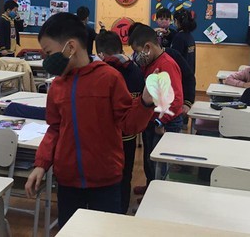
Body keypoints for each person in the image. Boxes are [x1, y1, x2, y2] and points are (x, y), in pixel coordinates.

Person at [24, 12, 155, 227]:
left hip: (106, 181)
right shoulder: (57, 86)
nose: (47, 60)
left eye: (49, 52)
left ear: (71, 47)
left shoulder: (109, 78)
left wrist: (145, 103)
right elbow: (54, 129)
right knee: (71, 230)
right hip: (68, 181)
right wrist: (41, 164)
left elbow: (129, 124)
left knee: (104, 231)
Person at [128, 24, 184, 193]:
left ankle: (158, 194)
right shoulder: (151, 63)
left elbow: (176, 101)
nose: (136, 56)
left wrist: (160, 121)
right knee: (149, 159)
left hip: (165, 122)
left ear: (147, 47)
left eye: (137, 51)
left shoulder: (166, 64)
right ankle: (150, 187)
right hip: (152, 120)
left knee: (160, 163)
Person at [95, 30, 145, 214]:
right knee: (125, 176)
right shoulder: (136, 70)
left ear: (100, 54)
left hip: (107, 137)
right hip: (129, 135)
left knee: (105, 178)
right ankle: (121, 211)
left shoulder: (101, 73)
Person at [171, 9, 196, 75]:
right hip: (189, 74)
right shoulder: (190, 36)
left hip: (181, 75)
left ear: (176, 21)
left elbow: (174, 57)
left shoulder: (179, 37)